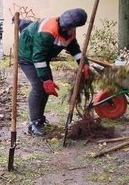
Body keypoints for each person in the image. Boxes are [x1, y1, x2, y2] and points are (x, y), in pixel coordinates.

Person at [18, 8, 90, 136]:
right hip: (28, 57)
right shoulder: (47, 30)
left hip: (41, 58)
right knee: (39, 87)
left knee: (46, 89)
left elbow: (74, 48)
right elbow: (38, 57)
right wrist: (46, 79)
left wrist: (83, 63)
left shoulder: (69, 31)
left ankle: (39, 119)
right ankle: (33, 124)